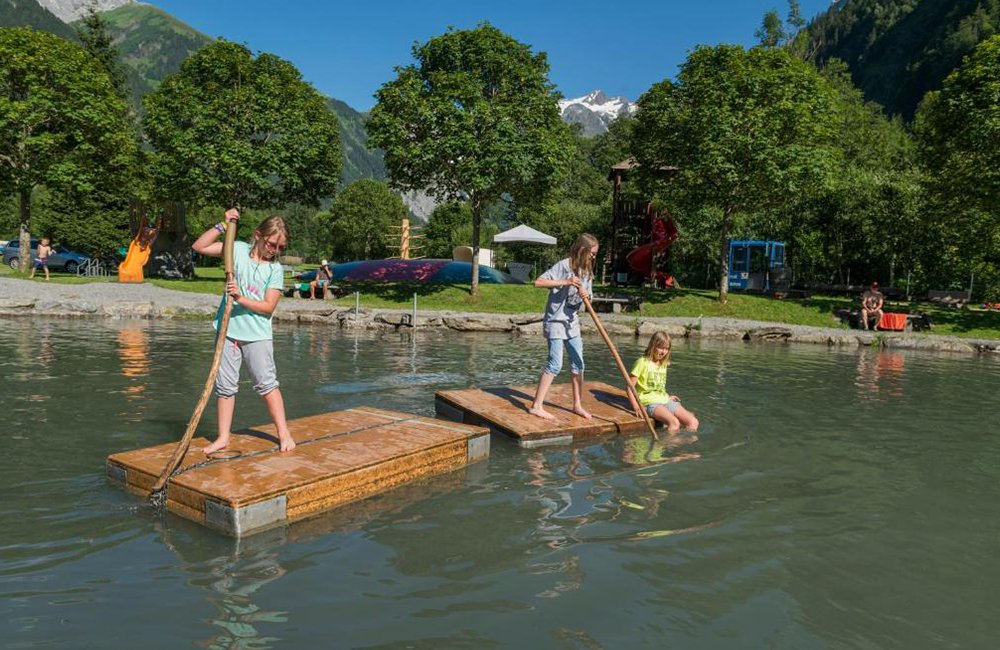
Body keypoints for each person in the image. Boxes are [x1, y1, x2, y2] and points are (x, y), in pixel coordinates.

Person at [192, 208, 296, 454]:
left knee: (267, 385)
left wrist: (240, 297)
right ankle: (223, 437)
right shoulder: (235, 249)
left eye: (280, 248)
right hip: (228, 330)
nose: (275, 251)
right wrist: (223, 225)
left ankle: (284, 433)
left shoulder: (275, 270)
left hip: (257, 335)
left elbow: (268, 307)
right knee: (225, 387)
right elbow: (199, 247)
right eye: (272, 244)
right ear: (258, 235)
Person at [528, 233, 599, 421]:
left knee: (578, 363)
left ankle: (577, 405)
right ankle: (536, 406)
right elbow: (538, 282)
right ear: (583, 250)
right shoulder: (563, 266)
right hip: (555, 322)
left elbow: (589, 299)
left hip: (572, 323)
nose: (594, 257)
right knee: (555, 364)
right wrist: (566, 282)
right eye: (592, 253)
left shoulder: (587, 271)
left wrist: (586, 296)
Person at [626, 331, 699, 433]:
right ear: (653, 345)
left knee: (693, 422)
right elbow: (629, 387)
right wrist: (636, 407)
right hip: (649, 402)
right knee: (675, 423)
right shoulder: (642, 363)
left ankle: (683, 446)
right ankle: (664, 445)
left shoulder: (663, 363)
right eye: (661, 348)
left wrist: (667, 396)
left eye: (666, 348)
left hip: (664, 399)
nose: (663, 352)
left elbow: (658, 386)